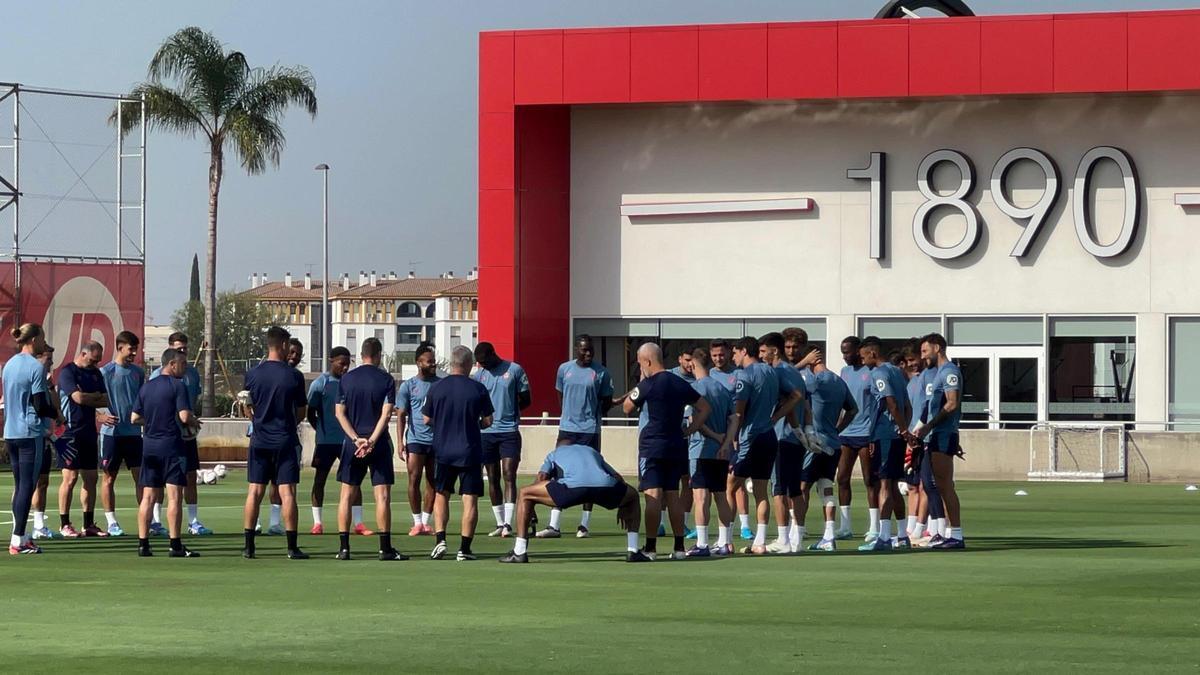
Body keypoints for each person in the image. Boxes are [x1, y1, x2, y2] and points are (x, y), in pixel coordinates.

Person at [621, 342, 711, 561]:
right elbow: (705, 407)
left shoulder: (648, 384)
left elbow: (626, 407)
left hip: (653, 445)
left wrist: (640, 384)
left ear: (648, 362)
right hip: (676, 444)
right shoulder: (679, 383)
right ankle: (679, 547)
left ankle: (651, 548)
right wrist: (690, 429)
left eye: (641, 362)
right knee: (673, 495)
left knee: (653, 496)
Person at [500, 440, 647, 563]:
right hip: (602, 488)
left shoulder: (554, 453)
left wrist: (531, 508)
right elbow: (617, 477)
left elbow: (542, 477)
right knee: (633, 495)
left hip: (571, 489)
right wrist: (622, 503)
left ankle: (519, 552)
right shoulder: (591, 451)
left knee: (525, 493)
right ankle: (633, 550)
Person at [724, 336, 803, 555]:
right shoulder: (771, 372)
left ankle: (726, 540)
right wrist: (775, 417)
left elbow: (738, 412)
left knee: (730, 486)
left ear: (743, 351)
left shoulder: (745, 375)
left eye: (735, 352)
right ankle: (759, 541)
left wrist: (732, 437)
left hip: (750, 436)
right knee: (761, 490)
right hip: (768, 436)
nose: (733, 357)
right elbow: (796, 395)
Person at [332, 338, 405, 561]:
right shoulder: (385, 379)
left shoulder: (347, 379)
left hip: (352, 444)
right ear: (379, 354)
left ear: (360, 355)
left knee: (346, 494)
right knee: (382, 496)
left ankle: (344, 548)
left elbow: (339, 413)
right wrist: (371, 441)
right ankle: (385, 548)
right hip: (378, 443)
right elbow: (386, 413)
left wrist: (355, 439)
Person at [242, 326, 309, 560]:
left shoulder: (252, 374)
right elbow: (301, 411)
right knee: (287, 492)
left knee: (255, 491)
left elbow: (247, 408)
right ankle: (291, 547)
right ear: (282, 345)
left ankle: (249, 546)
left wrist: (259, 420)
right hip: (285, 439)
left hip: (259, 439)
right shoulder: (293, 376)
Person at [423, 345, 494, 561]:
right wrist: (476, 424)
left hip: (443, 450)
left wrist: (442, 422)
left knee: (441, 494)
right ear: (469, 364)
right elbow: (489, 420)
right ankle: (464, 548)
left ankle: (441, 540)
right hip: (470, 450)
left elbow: (426, 419)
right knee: (469, 499)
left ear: (451, 363)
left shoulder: (437, 388)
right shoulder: (478, 389)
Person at [540, 334, 614, 539]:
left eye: (591, 350)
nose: (588, 353)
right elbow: (560, 396)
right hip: (567, 428)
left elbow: (606, 401)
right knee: (559, 473)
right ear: (576, 349)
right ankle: (554, 525)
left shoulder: (601, 373)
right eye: (584, 350)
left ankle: (584, 525)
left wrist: (592, 413)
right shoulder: (564, 370)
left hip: (590, 430)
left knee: (591, 476)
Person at [130, 348, 200, 558]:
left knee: (148, 496)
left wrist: (151, 422)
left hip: (150, 446)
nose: (185, 368)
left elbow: (134, 418)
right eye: (183, 364)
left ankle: (143, 544)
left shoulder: (146, 387)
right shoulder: (178, 386)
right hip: (171, 446)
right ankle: (175, 544)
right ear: (171, 364)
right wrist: (194, 422)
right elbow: (185, 416)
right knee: (174, 496)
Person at [148, 332, 210, 536]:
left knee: (190, 477)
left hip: (186, 435)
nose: (182, 352)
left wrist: (191, 422)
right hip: (166, 436)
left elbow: (192, 402)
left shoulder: (192, 373)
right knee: (159, 482)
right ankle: (156, 521)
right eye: (178, 349)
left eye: (185, 349)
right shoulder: (157, 376)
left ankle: (193, 521)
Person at [796, 346, 857, 552]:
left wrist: (802, 363)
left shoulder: (812, 381)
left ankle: (798, 533)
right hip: (833, 442)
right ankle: (829, 536)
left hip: (814, 443)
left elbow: (785, 380)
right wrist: (838, 429)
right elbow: (853, 409)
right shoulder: (839, 381)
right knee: (826, 487)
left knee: (802, 487)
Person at [4, 323, 57, 554]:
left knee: (20, 485)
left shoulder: (9, 365)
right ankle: (18, 540)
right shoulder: (35, 367)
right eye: (42, 338)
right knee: (27, 486)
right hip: (29, 432)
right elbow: (39, 404)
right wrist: (57, 416)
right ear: (34, 339)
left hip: (11, 432)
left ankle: (21, 535)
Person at [760, 333, 815, 554]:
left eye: (764, 351)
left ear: (774, 351)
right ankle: (797, 537)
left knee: (780, 490)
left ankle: (784, 538)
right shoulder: (794, 372)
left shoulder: (780, 371)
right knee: (794, 490)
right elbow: (804, 402)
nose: (761, 355)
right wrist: (804, 429)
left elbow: (794, 398)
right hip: (794, 437)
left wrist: (774, 418)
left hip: (783, 436)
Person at [55, 341, 116, 538]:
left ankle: (88, 524)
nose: (96, 364)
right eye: (92, 360)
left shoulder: (96, 373)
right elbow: (78, 399)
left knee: (91, 478)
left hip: (89, 432)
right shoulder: (68, 372)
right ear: (82, 354)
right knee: (70, 478)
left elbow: (106, 399)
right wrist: (91, 397)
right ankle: (64, 523)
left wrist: (89, 396)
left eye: (98, 361)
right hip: (69, 432)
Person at [913, 333, 966, 549]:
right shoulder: (938, 373)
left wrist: (929, 425)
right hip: (937, 435)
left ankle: (957, 535)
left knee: (945, 485)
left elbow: (952, 403)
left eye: (925, 351)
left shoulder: (950, 371)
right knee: (938, 484)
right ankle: (947, 534)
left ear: (937, 347)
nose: (923, 357)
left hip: (943, 434)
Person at [472, 342, 530, 538]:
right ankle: (499, 522)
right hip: (486, 433)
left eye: (484, 361)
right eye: (479, 362)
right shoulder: (479, 376)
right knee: (493, 477)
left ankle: (508, 523)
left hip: (509, 431)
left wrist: (509, 412)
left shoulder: (514, 370)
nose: (482, 365)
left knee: (508, 474)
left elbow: (526, 399)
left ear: (492, 355)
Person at [858, 337, 911, 552]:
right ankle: (902, 534)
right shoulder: (898, 372)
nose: (862, 361)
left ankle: (884, 537)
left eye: (863, 356)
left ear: (872, 353)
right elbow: (906, 404)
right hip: (895, 434)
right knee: (894, 486)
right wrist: (905, 428)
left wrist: (901, 429)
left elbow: (892, 403)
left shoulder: (879, 373)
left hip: (886, 434)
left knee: (885, 484)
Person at [683, 348, 735, 557]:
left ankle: (702, 544)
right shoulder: (722, 389)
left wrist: (714, 436)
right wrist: (726, 442)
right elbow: (734, 419)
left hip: (701, 449)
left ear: (693, 364)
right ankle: (725, 542)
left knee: (701, 497)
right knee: (721, 496)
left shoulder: (694, 389)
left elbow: (696, 421)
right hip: (720, 453)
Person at [99, 330, 145, 537]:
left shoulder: (138, 373)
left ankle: (149, 520)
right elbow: (92, 400)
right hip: (111, 434)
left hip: (134, 433)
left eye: (135, 349)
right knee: (109, 478)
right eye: (130, 349)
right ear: (119, 348)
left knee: (141, 477)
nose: (134, 353)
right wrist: (99, 416)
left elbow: (143, 400)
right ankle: (112, 522)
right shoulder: (105, 372)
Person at [836, 335, 880, 543]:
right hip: (846, 433)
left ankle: (875, 526)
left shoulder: (871, 372)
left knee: (870, 480)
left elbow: (880, 403)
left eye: (848, 351)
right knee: (842, 478)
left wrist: (874, 432)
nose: (845, 356)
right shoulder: (844, 372)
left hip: (866, 433)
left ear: (858, 351)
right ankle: (845, 526)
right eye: (842, 352)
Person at [306, 346, 352, 534]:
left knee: (352, 481)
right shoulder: (320, 383)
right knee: (320, 480)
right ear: (331, 361)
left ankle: (357, 522)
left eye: (348, 364)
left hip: (347, 441)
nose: (345, 368)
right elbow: (310, 412)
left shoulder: (350, 383)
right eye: (342, 364)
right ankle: (317, 522)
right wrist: (322, 431)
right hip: (325, 442)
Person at [396, 342, 439, 537]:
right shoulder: (409, 385)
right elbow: (401, 415)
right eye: (429, 361)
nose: (433, 364)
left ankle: (426, 522)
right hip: (416, 440)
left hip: (436, 441)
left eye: (434, 361)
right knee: (414, 479)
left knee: (433, 481)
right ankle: (416, 522)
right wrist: (400, 442)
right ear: (418, 363)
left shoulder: (440, 384)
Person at [30, 345, 66, 540]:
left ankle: (39, 525)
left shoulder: (45, 381)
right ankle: (18, 531)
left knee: (42, 482)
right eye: (48, 359)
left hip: (43, 436)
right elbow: (32, 410)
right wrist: (50, 435)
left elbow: (54, 408)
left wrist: (51, 387)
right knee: (26, 484)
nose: (51, 363)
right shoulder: (28, 379)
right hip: (32, 436)